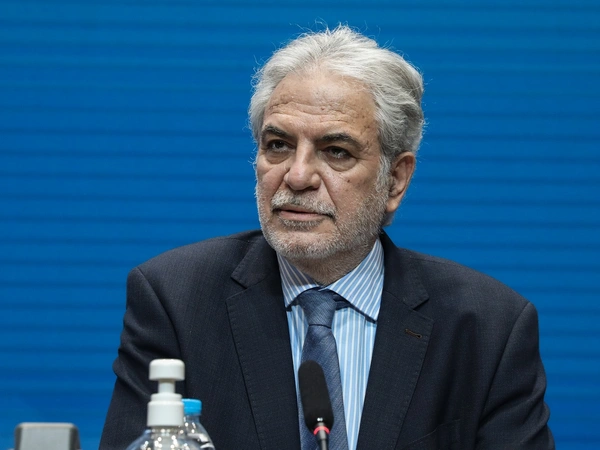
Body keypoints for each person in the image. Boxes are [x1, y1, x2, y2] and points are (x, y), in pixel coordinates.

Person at [100, 25, 554, 450]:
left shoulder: (487, 329)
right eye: (278, 145)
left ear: (395, 180)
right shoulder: (176, 301)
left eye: (336, 151)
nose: (297, 176)